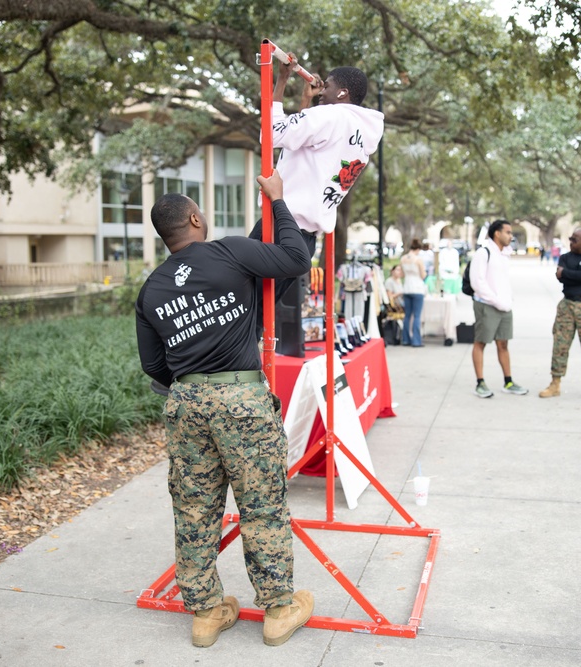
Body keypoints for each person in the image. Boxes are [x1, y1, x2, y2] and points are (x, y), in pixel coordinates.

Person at [135, 170, 314, 649]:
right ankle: (278, 608)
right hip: (241, 399)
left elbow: (154, 364)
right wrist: (277, 201)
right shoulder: (229, 252)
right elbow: (296, 258)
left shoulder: (151, 288)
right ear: (196, 218)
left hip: (186, 403)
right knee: (261, 506)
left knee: (194, 509)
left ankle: (206, 613)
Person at [248, 55, 385, 334]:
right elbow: (300, 146)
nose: (322, 90)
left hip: (279, 226)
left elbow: (271, 135)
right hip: (304, 243)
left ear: (342, 92)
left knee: (239, 307)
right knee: (259, 317)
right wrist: (306, 103)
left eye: (328, 86)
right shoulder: (360, 130)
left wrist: (282, 80)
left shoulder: (329, 115)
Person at [539, 227, 581, 401]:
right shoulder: (565, 257)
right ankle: (555, 384)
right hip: (567, 305)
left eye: (574, 239)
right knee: (560, 345)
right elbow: (561, 277)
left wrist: (570, 274)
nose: (570, 241)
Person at [469, 220, 527, 398]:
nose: (511, 236)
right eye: (508, 232)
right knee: (481, 342)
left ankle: (508, 381)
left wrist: (507, 300)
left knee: (503, 343)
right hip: (487, 305)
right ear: (497, 233)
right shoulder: (483, 252)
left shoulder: (504, 254)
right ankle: (480, 383)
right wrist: (495, 301)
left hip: (504, 306)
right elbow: (477, 283)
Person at [400, 239, 427, 347]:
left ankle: (406, 339)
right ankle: (416, 340)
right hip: (417, 288)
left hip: (407, 287)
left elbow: (402, 274)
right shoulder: (418, 260)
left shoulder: (403, 259)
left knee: (407, 315)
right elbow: (423, 275)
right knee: (416, 316)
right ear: (418, 249)